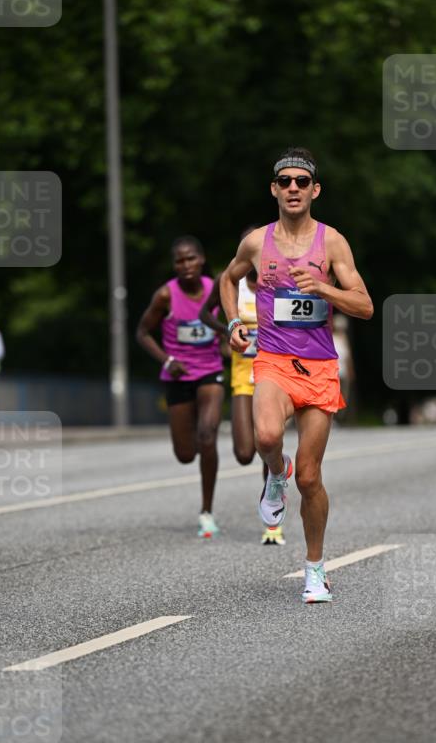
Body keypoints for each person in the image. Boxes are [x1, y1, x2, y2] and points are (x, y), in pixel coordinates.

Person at [220, 147, 373, 603]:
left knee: (310, 478)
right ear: (274, 189)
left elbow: (364, 305)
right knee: (266, 436)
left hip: (321, 369)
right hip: (273, 361)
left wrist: (324, 287)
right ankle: (273, 471)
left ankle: (315, 569)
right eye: (284, 181)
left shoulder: (332, 243)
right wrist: (232, 324)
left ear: (314, 190)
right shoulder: (256, 243)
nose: (292, 188)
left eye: (301, 182)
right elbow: (228, 279)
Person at [199, 238, 286, 546]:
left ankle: (272, 522)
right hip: (241, 372)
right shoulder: (233, 282)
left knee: (268, 439)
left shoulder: (278, 281)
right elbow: (204, 314)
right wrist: (229, 329)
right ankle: (278, 467)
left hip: (273, 372)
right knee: (245, 452)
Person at [136, 236, 225, 539]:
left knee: (208, 435)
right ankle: (201, 442)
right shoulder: (165, 295)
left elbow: (232, 319)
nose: (186, 265)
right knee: (186, 454)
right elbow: (143, 332)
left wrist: (229, 337)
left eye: (191, 259)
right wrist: (166, 360)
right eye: (179, 260)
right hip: (177, 375)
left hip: (210, 371)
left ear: (201, 260)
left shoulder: (215, 288)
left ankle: (207, 512)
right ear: (174, 265)